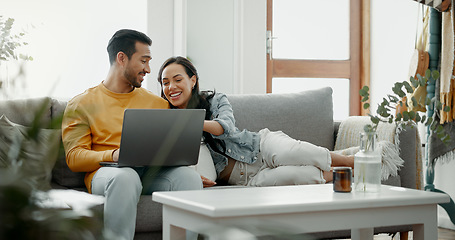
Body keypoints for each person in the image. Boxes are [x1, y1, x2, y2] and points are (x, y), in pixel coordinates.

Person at [62, 30, 202, 240]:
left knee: (188, 177)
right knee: (126, 176)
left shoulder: (157, 103)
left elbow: (169, 146)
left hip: (149, 173)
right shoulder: (81, 104)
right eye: (143, 61)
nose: (148, 69)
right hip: (109, 174)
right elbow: (74, 157)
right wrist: (113, 155)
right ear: (121, 58)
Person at [157, 56, 354, 188]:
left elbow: (224, 127)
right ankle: (347, 173)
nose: (171, 87)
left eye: (177, 79)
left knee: (296, 153)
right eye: (165, 83)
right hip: (246, 179)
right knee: (304, 176)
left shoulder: (215, 100)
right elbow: (167, 158)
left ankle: (354, 162)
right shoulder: (165, 119)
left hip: (259, 147)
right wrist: (189, 177)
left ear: (192, 80)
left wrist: (189, 121)